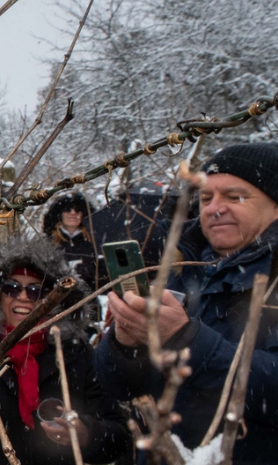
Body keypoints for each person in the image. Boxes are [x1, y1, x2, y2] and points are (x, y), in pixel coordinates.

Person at [95, 143, 278, 464]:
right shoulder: (181, 270)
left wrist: (186, 340)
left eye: (235, 197)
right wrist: (126, 346)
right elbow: (120, 391)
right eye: (206, 198)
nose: (214, 209)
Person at [0, 236, 131, 465]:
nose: (24, 297)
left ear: (52, 300)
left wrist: (85, 434)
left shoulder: (75, 353)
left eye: (36, 290)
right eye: (12, 288)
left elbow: (119, 435)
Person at [41, 192, 101, 289]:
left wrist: (92, 276)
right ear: (59, 213)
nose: (73, 213)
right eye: (67, 209)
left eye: (78, 210)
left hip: (90, 298)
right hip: (57, 298)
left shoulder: (95, 241)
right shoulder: (47, 243)